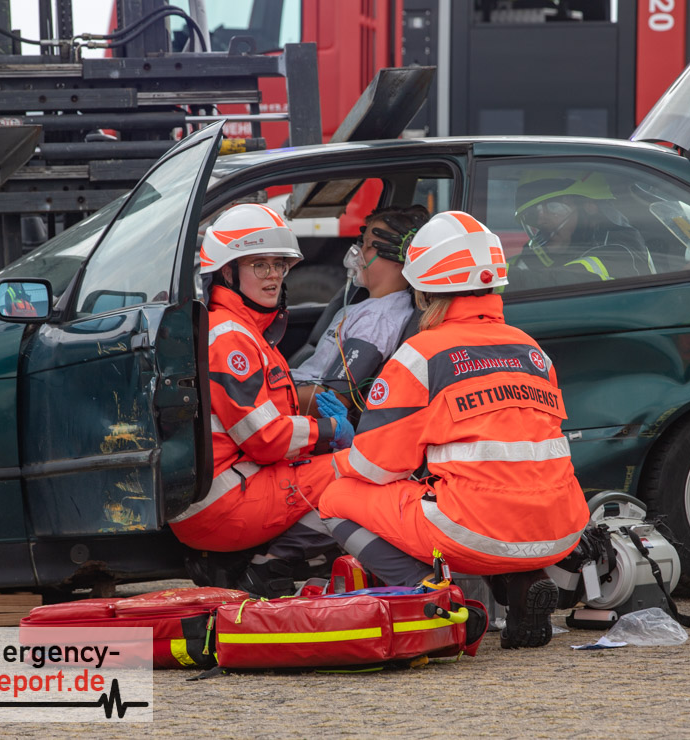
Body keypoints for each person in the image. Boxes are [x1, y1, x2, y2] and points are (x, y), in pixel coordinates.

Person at [318, 210, 590, 649]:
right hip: (560, 526)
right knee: (488, 490)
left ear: (423, 287)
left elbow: (375, 467)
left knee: (336, 498)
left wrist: (337, 459)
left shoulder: (422, 354)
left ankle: (438, 598)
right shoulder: (531, 350)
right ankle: (524, 582)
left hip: (475, 529)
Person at [167, 203, 354, 598]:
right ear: (227, 273)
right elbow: (265, 438)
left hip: (224, 490)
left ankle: (243, 561)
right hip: (224, 504)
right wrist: (330, 430)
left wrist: (319, 435)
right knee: (358, 472)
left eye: (279, 265)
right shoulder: (232, 338)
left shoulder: (245, 330)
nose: (273, 276)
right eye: (259, 265)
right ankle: (268, 566)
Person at [293, 205, 430, 412]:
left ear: (399, 256)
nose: (358, 253)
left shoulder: (377, 319)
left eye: (368, 246)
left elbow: (335, 399)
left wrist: (269, 397)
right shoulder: (367, 305)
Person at [508, 169, 654, 289]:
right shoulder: (555, 248)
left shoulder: (622, 248)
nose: (540, 221)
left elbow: (565, 282)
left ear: (589, 207)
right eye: (533, 214)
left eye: (554, 207)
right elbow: (520, 265)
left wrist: (505, 279)